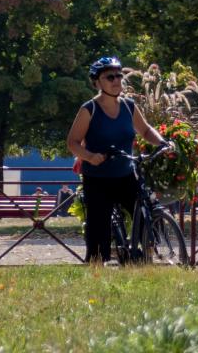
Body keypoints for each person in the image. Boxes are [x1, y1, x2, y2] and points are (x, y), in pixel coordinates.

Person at [65, 56, 165, 264]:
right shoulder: (89, 110)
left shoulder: (129, 106)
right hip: (98, 177)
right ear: (97, 82)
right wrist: (90, 157)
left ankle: (138, 255)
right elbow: (73, 142)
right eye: (110, 76)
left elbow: (145, 130)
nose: (116, 80)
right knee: (98, 228)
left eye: (119, 75)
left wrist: (163, 143)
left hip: (125, 174)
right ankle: (96, 264)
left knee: (145, 211)